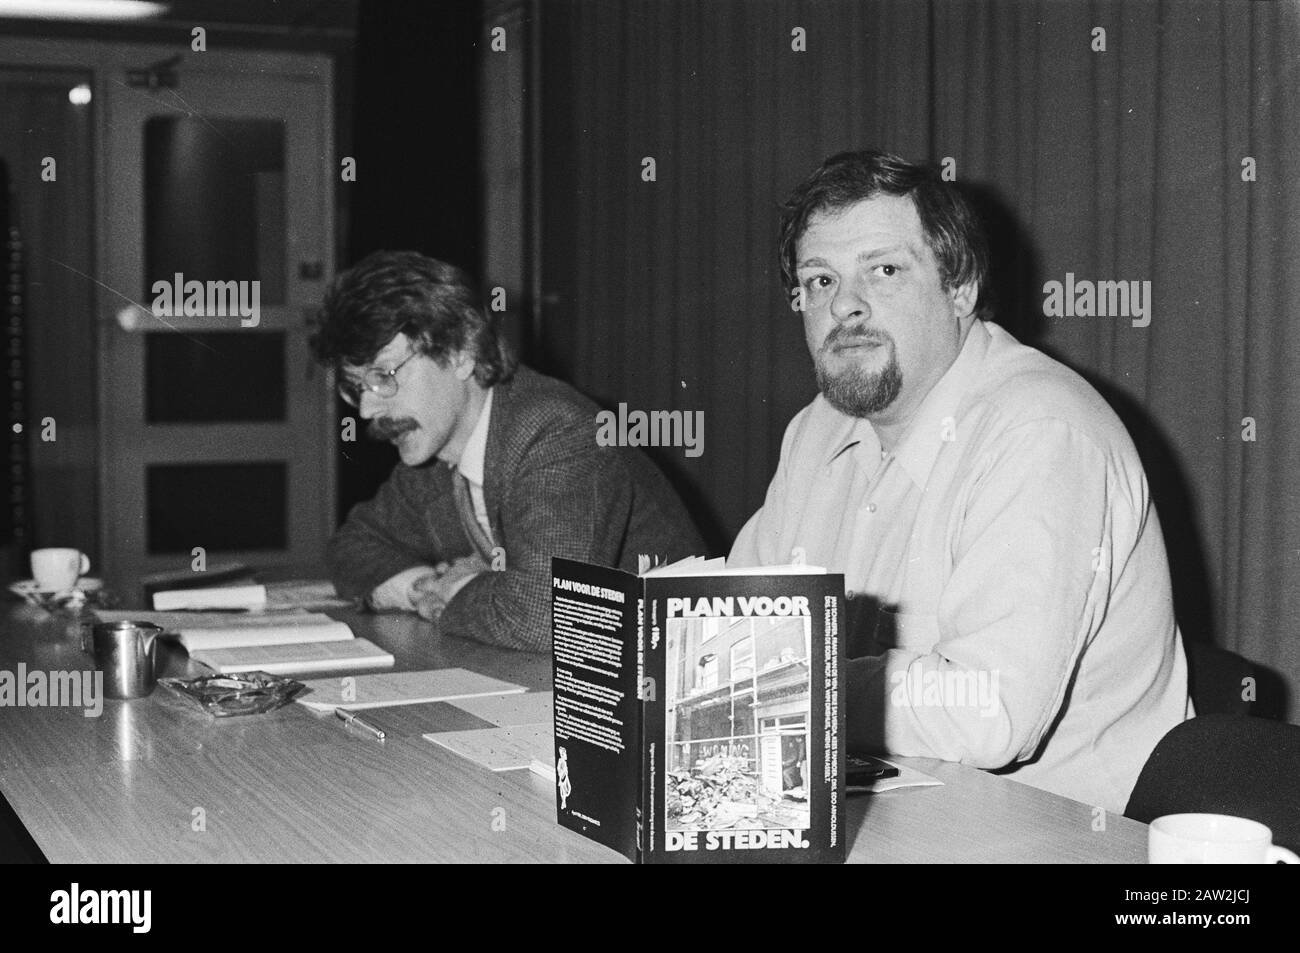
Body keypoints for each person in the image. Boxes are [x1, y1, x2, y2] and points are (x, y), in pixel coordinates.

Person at [729, 150, 1192, 812]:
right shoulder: (819, 427)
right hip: (880, 810)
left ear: (961, 289)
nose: (846, 306)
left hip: (1047, 839)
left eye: (884, 271)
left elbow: (988, 709)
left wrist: (798, 685)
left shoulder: (1041, 432)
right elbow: (739, 620)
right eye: (820, 280)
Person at [311, 250, 703, 651]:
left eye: (383, 376)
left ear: (461, 352)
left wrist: (463, 589)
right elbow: (350, 547)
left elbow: (547, 617)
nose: (367, 409)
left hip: (665, 675)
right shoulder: (434, 455)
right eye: (356, 386)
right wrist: (423, 587)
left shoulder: (557, 432)